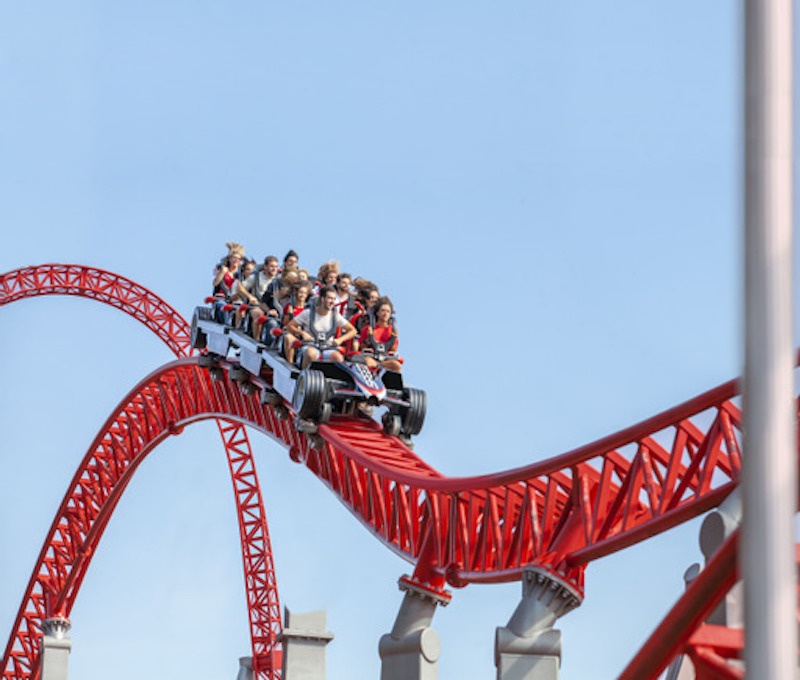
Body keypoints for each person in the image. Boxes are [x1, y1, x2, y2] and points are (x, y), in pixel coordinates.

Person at [285, 285, 357, 368]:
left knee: (338, 358)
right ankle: (304, 377)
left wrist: (340, 340)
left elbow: (353, 330)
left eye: (334, 299)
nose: (332, 302)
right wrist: (302, 333)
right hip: (310, 345)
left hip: (328, 347)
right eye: (330, 298)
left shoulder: (335, 316)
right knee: (311, 353)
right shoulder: (308, 313)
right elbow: (290, 326)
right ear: (322, 299)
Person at [241, 256, 282, 341]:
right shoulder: (256, 277)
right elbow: (240, 287)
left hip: (273, 306)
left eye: (276, 267)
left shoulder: (279, 280)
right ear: (265, 267)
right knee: (258, 313)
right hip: (257, 305)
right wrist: (250, 297)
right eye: (271, 266)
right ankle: (256, 339)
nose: (274, 269)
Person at [358, 296, 402, 372]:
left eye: (388, 311)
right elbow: (361, 347)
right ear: (378, 313)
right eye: (383, 311)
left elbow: (393, 350)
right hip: (371, 358)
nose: (385, 314)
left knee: (396, 366)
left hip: (385, 360)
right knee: (368, 362)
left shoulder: (392, 330)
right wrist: (368, 339)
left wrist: (394, 338)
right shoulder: (369, 328)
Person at [212, 242, 249, 324]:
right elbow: (215, 283)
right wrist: (222, 273)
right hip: (223, 297)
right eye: (234, 258)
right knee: (223, 306)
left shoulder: (241, 274)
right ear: (229, 259)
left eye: (238, 259)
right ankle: (227, 323)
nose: (236, 260)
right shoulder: (223, 270)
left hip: (236, 298)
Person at [280, 280, 313, 364]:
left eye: (304, 293)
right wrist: (289, 314)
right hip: (293, 333)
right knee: (288, 337)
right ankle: (290, 362)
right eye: (300, 292)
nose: (302, 295)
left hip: (306, 335)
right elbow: (285, 324)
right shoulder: (290, 306)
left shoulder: (309, 309)